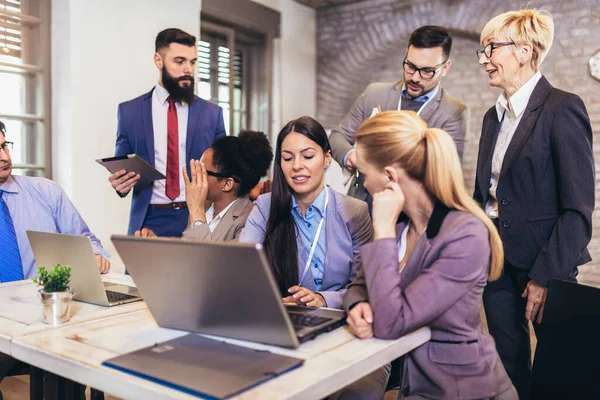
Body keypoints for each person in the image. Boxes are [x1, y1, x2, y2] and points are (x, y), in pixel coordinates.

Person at [339, 111, 516, 400]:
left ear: (390, 177)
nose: (364, 185)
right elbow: (359, 284)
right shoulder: (397, 225)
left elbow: (391, 323)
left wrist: (381, 227)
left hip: (462, 391)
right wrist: (358, 303)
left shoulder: (465, 235)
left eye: (364, 174)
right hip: (416, 386)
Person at [474, 9, 594, 400]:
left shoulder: (562, 108)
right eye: (481, 49)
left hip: (546, 265)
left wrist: (543, 276)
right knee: (508, 367)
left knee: (562, 371)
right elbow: (487, 195)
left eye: (491, 48)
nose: (483, 58)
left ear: (524, 51)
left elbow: (577, 210)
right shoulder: (493, 118)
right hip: (496, 266)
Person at [0, 121, 110, 395]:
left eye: (3, 146)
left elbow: (89, 242)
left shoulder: (46, 192)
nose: (4, 157)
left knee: (69, 364)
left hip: (46, 322)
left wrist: (95, 257)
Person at [239, 116, 372, 310]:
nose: (297, 166)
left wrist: (323, 299)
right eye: (287, 158)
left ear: (327, 159)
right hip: (281, 314)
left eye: (308, 156)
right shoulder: (265, 207)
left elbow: (363, 286)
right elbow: (243, 266)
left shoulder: (355, 211)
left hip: (338, 317)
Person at [329, 25, 469, 205]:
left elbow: (446, 174)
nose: (415, 78)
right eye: (410, 66)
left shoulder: (454, 112)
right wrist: (351, 156)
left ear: (445, 68)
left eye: (427, 71)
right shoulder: (374, 93)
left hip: (410, 216)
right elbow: (337, 136)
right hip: (360, 207)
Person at [109, 28, 226, 237]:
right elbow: (122, 166)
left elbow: (225, 171)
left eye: (192, 62)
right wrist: (121, 184)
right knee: (140, 272)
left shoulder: (212, 114)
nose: (188, 69)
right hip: (148, 221)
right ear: (158, 60)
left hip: (198, 217)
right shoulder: (129, 112)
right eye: (179, 61)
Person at [135, 130, 273, 241]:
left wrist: (196, 212)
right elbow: (188, 258)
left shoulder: (250, 220)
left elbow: (210, 266)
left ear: (227, 184)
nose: (194, 176)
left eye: (202, 171)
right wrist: (156, 245)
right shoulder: (205, 207)